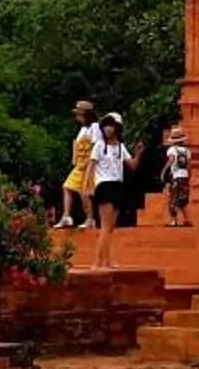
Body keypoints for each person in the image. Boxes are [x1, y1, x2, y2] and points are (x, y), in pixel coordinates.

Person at [88, 113, 141, 270]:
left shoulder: (120, 147)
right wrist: (88, 186)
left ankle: (107, 260)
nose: (108, 129)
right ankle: (97, 262)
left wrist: (138, 154)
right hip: (104, 185)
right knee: (105, 226)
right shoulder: (98, 145)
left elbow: (132, 166)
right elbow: (91, 167)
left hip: (118, 185)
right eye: (106, 125)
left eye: (111, 125)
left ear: (117, 128)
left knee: (110, 227)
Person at [59, 101, 98, 229]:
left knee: (84, 192)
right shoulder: (83, 129)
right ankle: (66, 216)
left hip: (88, 166)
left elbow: (95, 147)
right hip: (80, 165)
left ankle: (90, 218)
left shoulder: (95, 128)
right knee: (67, 187)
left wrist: (90, 166)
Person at [162, 127, 193, 227]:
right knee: (183, 200)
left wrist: (164, 170)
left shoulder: (172, 150)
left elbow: (172, 159)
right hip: (184, 177)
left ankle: (174, 220)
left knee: (173, 199)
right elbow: (189, 165)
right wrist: (189, 176)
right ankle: (186, 219)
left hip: (176, 177)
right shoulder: (187, 151)